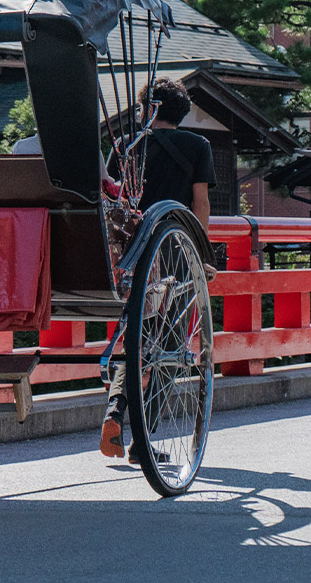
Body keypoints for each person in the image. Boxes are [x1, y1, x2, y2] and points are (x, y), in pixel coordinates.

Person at [100, 77, 215, 463]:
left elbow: (114, 200)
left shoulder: (126, 146)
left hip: (134, 256)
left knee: (135, 339)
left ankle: (114, 413)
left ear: (147, 110)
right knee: (169, 346)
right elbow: (200, 204)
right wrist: (202, 253)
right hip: (175, 252)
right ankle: (141, 442)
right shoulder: (198, 145)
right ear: (181, 112)